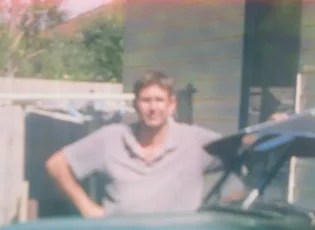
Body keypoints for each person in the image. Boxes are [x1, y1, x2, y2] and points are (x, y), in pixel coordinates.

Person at [45, 69, 224, 218]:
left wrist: (233, 198)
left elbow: (243, 153)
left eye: (159, 100)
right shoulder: (112, 138)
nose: (153, 108)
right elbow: (56, 164)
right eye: (146, 100)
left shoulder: (195, 141)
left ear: (171, 105)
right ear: (136, 105)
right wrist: (87, 208)